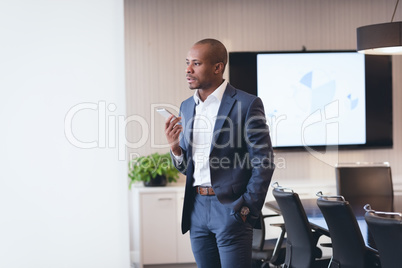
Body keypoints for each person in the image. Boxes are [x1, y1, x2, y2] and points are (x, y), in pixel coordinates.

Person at [164, 38, 275, 268]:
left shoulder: (247, 104)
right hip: (196, 209)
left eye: (196, 63)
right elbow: (189, 168)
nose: (188, 69)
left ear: (218, 67)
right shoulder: (186, 106)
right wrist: (175, 149)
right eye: (187, 63)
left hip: (231, 210)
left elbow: (264, 161)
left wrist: (246, 209)